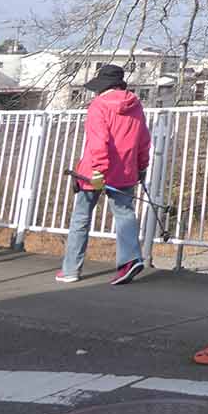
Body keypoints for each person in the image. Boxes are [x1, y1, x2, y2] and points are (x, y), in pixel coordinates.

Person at [56, 63, 151, 285]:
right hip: (126, 170)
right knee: (125, 214)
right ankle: (130, 260)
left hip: (95, 172)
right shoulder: (136, 106)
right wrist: (142, 167)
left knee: (81, 216)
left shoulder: (99, 105)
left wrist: (98, 169)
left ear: (103, 85)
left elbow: (98, 140)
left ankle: (70, 269)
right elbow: (144, 141)